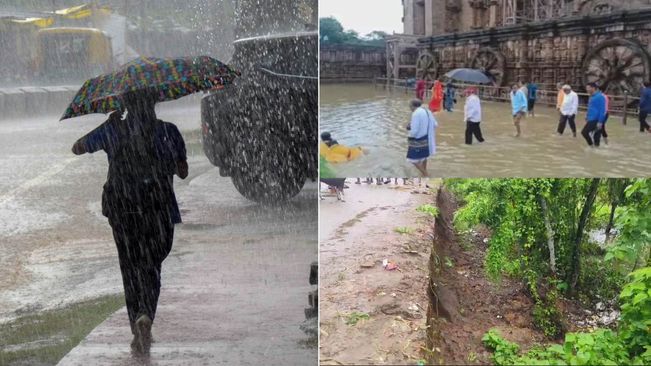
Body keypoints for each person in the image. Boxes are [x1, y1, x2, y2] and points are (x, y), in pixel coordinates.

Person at [71, 91, 188, 354]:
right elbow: (183, 172)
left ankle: (136, 319)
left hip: (122, 209)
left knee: (130, 267)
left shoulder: (114, 130)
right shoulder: (169, 131)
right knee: (151, 266)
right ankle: (146, 312)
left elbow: (77, 147)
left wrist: (108, 126)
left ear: (125, 105)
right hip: (158, 208)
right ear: (154, 104)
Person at [405, 99, 437, 177]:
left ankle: (425, 174)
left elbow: (414, 131)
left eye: (410, 106)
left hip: (418, 139)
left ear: (413, 106)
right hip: (427, 138)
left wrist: (409, 136)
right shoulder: (427, 111)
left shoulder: (416, 113)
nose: (410, 108)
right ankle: (424, 172)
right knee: (424, 157)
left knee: (412, 159)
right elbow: (435, 124)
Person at [581, 82, 606, 147]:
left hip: (596, 119)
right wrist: (587, 115)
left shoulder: (600, 96)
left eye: (588, 88)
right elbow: (590, 107)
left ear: (593, 88)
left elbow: (602, 110)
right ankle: (595, 150)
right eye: (586, 88)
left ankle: (591, 146)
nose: (587, 89)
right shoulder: (591, 96)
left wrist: (600, 122)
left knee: (584, 132)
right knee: (596, 136)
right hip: (591, 118)